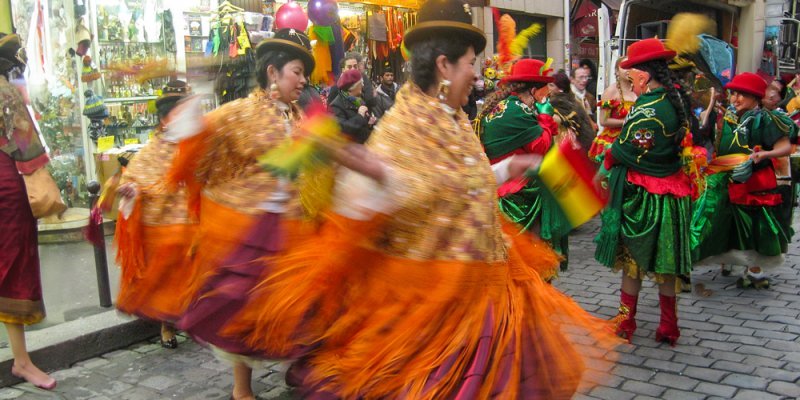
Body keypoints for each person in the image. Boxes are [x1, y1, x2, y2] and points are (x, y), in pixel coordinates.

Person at [220, 1, 619, 397]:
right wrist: (370, 175)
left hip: (485, 297)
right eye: (470, 63)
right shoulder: (402, 128)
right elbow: (373, 207)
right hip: (436, 315)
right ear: (444, 66)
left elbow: (453, 185)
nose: (476, 74)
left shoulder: (454, 117)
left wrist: (502, 171)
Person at [170, 28, 316, 400]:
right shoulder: (241, 113)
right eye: (297, 71)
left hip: (297, 229)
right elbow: (204, 147)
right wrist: (190, 121)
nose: (303, 80)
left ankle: (300, 367)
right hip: (255, 229)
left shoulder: (300, 116)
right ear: (273, 72)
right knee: (244, 307)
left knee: (303, 305)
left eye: (304, 74)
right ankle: (242, 390)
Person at [594, 38, 695, 346]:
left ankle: (626, 321)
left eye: (632, 72)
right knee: (667, 263)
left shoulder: (649, 107)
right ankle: (668, 325)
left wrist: (604, 165)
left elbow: (625, 149)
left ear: (644, 75)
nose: (629, 78)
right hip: (671, 191)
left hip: (645, 196)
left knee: (632, 261)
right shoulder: (672, 100)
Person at [691, 72, 794, 289]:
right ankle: (718, 258)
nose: (736, 98)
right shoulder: (726, 116)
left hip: (754, 178)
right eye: (734, 93)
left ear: (756, 98)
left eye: (742, 95)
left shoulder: (765, 119)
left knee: (753, 223)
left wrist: (763, 155)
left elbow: (784, 146)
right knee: (714, 216)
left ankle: (754, 270)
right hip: (722, 175)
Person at [114, 80, 195, 349]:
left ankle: (197, 321)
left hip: (196, 224)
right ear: (163, 119)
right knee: (169, 276)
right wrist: (131, 190)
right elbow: (137, 180)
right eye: (178, 112)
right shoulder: (152, 151)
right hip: (166, 225)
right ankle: (167, 325)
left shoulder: (198, 145)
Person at [0, 33, 57, 390]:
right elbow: (23, 142)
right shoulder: (6, 94)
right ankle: (21, 360)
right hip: (7, 189)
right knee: (12, 267)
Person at [476, 58, 568, 274]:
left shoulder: (501, 105)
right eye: (543, 92)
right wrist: (545, 118)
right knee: (530, 254)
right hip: (519, 190)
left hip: (498, 187)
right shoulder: (519, 109)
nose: (545, 97)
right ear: (534, 90)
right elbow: (541, 146)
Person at [588, 57, 637, 163]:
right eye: (624, 67)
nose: (628, 70)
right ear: (616, 71)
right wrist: (626, 122)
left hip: (635, 139)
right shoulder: (611, 92)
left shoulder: (640, 89)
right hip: (614, 141)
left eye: (631, 66)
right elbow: (603, 120)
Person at [549, 70, 597, 152]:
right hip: (583, 143)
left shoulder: (560, 103)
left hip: (574, 146)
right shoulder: (571, 100)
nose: (548, 87)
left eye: (551, 85)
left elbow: (557, 122)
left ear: (560, 89)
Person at [329, 68, 375, 143]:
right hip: (350, 151)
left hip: (363, 148)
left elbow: (361, 128)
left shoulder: (359, 100)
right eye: (361, 83)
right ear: (352, 88)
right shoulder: (336, 105)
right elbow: (342, 130)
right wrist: (360, 116)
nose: (363, 85)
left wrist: (369, 124)